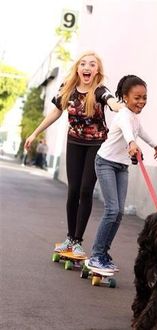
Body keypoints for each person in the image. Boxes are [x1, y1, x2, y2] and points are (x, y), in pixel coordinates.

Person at [24, 51, 124, 256]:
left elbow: (110, 101)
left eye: (92, 64)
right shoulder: (67, 89)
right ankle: (70, 238)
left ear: (97, 70)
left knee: (86, 191)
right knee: (73, 190)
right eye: (83, 64)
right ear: (78, 68)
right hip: (74, 143)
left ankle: (78, 241)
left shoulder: (99, 90)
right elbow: (55, 111)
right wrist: (35, 133)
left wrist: (118, 105)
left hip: (96, 145)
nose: (87, 67)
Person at [87, 74, 157, 271]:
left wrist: (155, 146)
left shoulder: (135, 118)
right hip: (105, 163)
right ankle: (96, 255)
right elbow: (129, 132)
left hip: (121, 167)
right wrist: (131, 143)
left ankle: (103, 252)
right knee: (112, 210)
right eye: (137, 97)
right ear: (125, 97)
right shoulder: (122, 115)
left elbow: (140, 131)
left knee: (119, 212)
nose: (141, 101)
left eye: (144, 97)